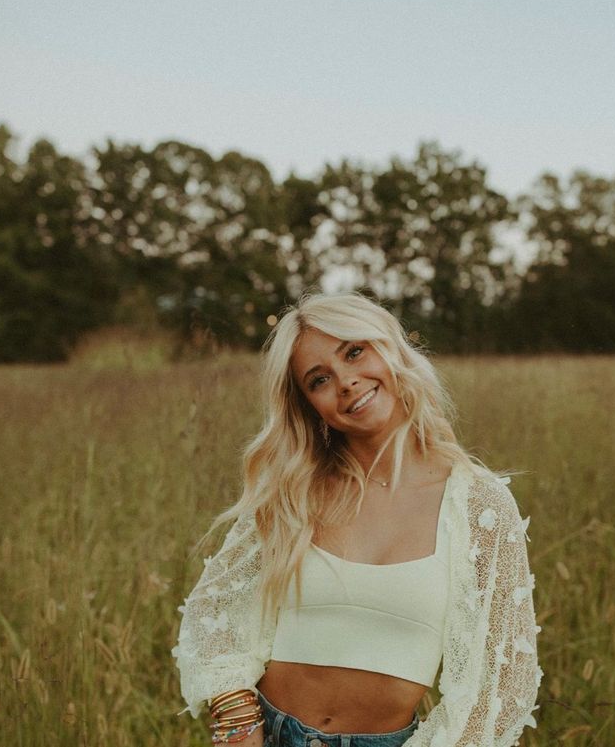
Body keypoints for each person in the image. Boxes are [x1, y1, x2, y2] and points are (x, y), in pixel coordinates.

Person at [172, 291, 542, 747]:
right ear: (309, 405)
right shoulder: (295, 490)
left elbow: (501, 685)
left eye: (354, 352)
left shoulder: (479, 507)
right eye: (319, 379)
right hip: (265, 734)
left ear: (390, 350)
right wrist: (236, 719)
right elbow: (215, 612)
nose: (346, 381)